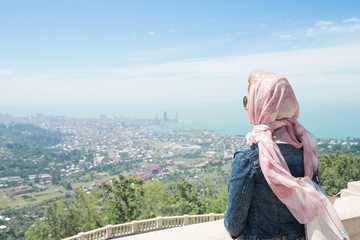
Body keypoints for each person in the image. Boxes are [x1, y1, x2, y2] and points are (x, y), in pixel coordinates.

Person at [224, 71, 328, 240]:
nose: (246, 107)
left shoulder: (248, 156)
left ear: (262, 104)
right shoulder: (306, 148)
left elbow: (233, 226)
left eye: (249, 100)